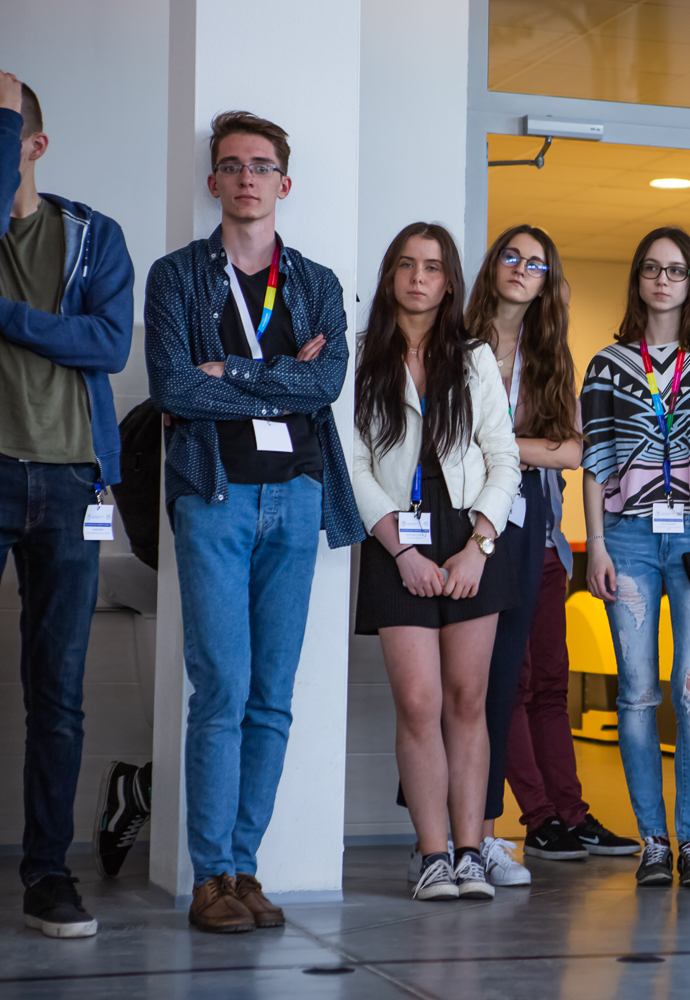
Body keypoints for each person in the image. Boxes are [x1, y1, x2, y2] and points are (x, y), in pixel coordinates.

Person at [146, 111, 363, 932]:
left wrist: (232, 373)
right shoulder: (176, 276)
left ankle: (245, 868)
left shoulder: (316, 282)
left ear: (284, 182)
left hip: (297, 496)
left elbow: (326, 385)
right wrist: (279, 380)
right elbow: (174, 386)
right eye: (233, 165)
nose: (247, 178)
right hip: (216, 494)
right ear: (214, 181)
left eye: (262, 165)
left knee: (272, 696)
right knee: (223, 690)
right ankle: (209, 878)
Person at [350, 222, 520, 902]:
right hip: (395, 536)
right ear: (390, 276)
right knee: (419, 702)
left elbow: (504, 457)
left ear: (449, 282)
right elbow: (353, 463)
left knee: (467, 700)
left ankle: (470, 851)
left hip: (470, 534)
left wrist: (479, 547)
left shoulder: (474, 357)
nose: (417, 278)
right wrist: (401, 551)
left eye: (431, 267)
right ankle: (430, 856)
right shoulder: (362, 356)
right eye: (405, 265)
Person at [0, 72, 133, 939]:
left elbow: (109, 343)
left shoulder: (92, 235)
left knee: (58, 695)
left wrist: (8, 316)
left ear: (35, 145)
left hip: (71, 479)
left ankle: (47, 874)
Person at [582, 226, 690, 889]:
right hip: (625, 537)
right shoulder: (608, 364)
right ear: (638, 278)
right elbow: (595, 462)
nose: (662, 280)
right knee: (635, 694)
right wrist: (595, 544)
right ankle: (653, 841)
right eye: (652, 269)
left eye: (676, 270)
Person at [464, 224, 637, 863]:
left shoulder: (549, 358)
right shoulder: (461, 348)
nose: (521, 268)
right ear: (494, 267)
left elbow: (573, 451)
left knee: (551, 686)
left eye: (535, 263)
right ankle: (536, 817)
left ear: (547, 282)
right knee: (507, 684)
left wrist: (502, 446)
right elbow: (454, 443)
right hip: (481, 539)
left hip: (543, 540)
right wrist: (529, 448)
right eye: (511, 256)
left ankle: (572, 815)